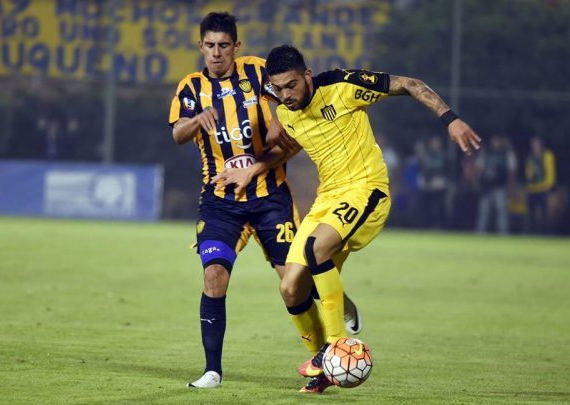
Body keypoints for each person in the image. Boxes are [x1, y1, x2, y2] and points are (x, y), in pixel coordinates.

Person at [212, 44, 481, 393]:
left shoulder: (341, 86)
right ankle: (324, 369)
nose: (285, 95)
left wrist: (451, 119)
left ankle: (335, 347)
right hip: (328, 198)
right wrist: (254, 168)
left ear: (307, 75)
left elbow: (410, 84)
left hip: (366, 189)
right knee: (290, 287)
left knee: (315, 250)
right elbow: (289, 146)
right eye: (277, 89)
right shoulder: (286, 111)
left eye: (291, 85)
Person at [169, 13, 361, 389]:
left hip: (270, 197)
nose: (217, 53)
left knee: (294, 281)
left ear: (236, 47)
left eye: (224, 45)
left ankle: (331, 342)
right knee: (214, 276)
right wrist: (198, 121)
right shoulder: (191, 88)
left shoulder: (257, 73)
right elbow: (178, 133)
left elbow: (292, 113)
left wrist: (277, 125)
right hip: (220, 201)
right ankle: (212, 370)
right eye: (209, 45)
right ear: (201, 47)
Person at [475, 135, 517, 234]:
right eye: (494, 140)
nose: (496, 142)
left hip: (500, 187)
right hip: (487, 187)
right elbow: (478, 168)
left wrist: (511, 186)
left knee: (502, 212)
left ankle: (504, 234)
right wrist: (477, 182)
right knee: (484, 212)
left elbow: (512, 171)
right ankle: (480, 234)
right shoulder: (486, 153)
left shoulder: (506, 153)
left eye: (498, 140)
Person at [525, 136, 555, 234]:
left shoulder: (548, 155)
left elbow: (550, 174)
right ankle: (531, 234)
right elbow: (528, 173)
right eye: (533, 144)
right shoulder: (531, 157)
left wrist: (547, 186)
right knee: (531, 214)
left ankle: (544, 234)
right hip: (532, 190)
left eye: (537, 144)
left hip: (543, 189)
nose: (535, 146)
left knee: (544, 215)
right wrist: (529, 181)